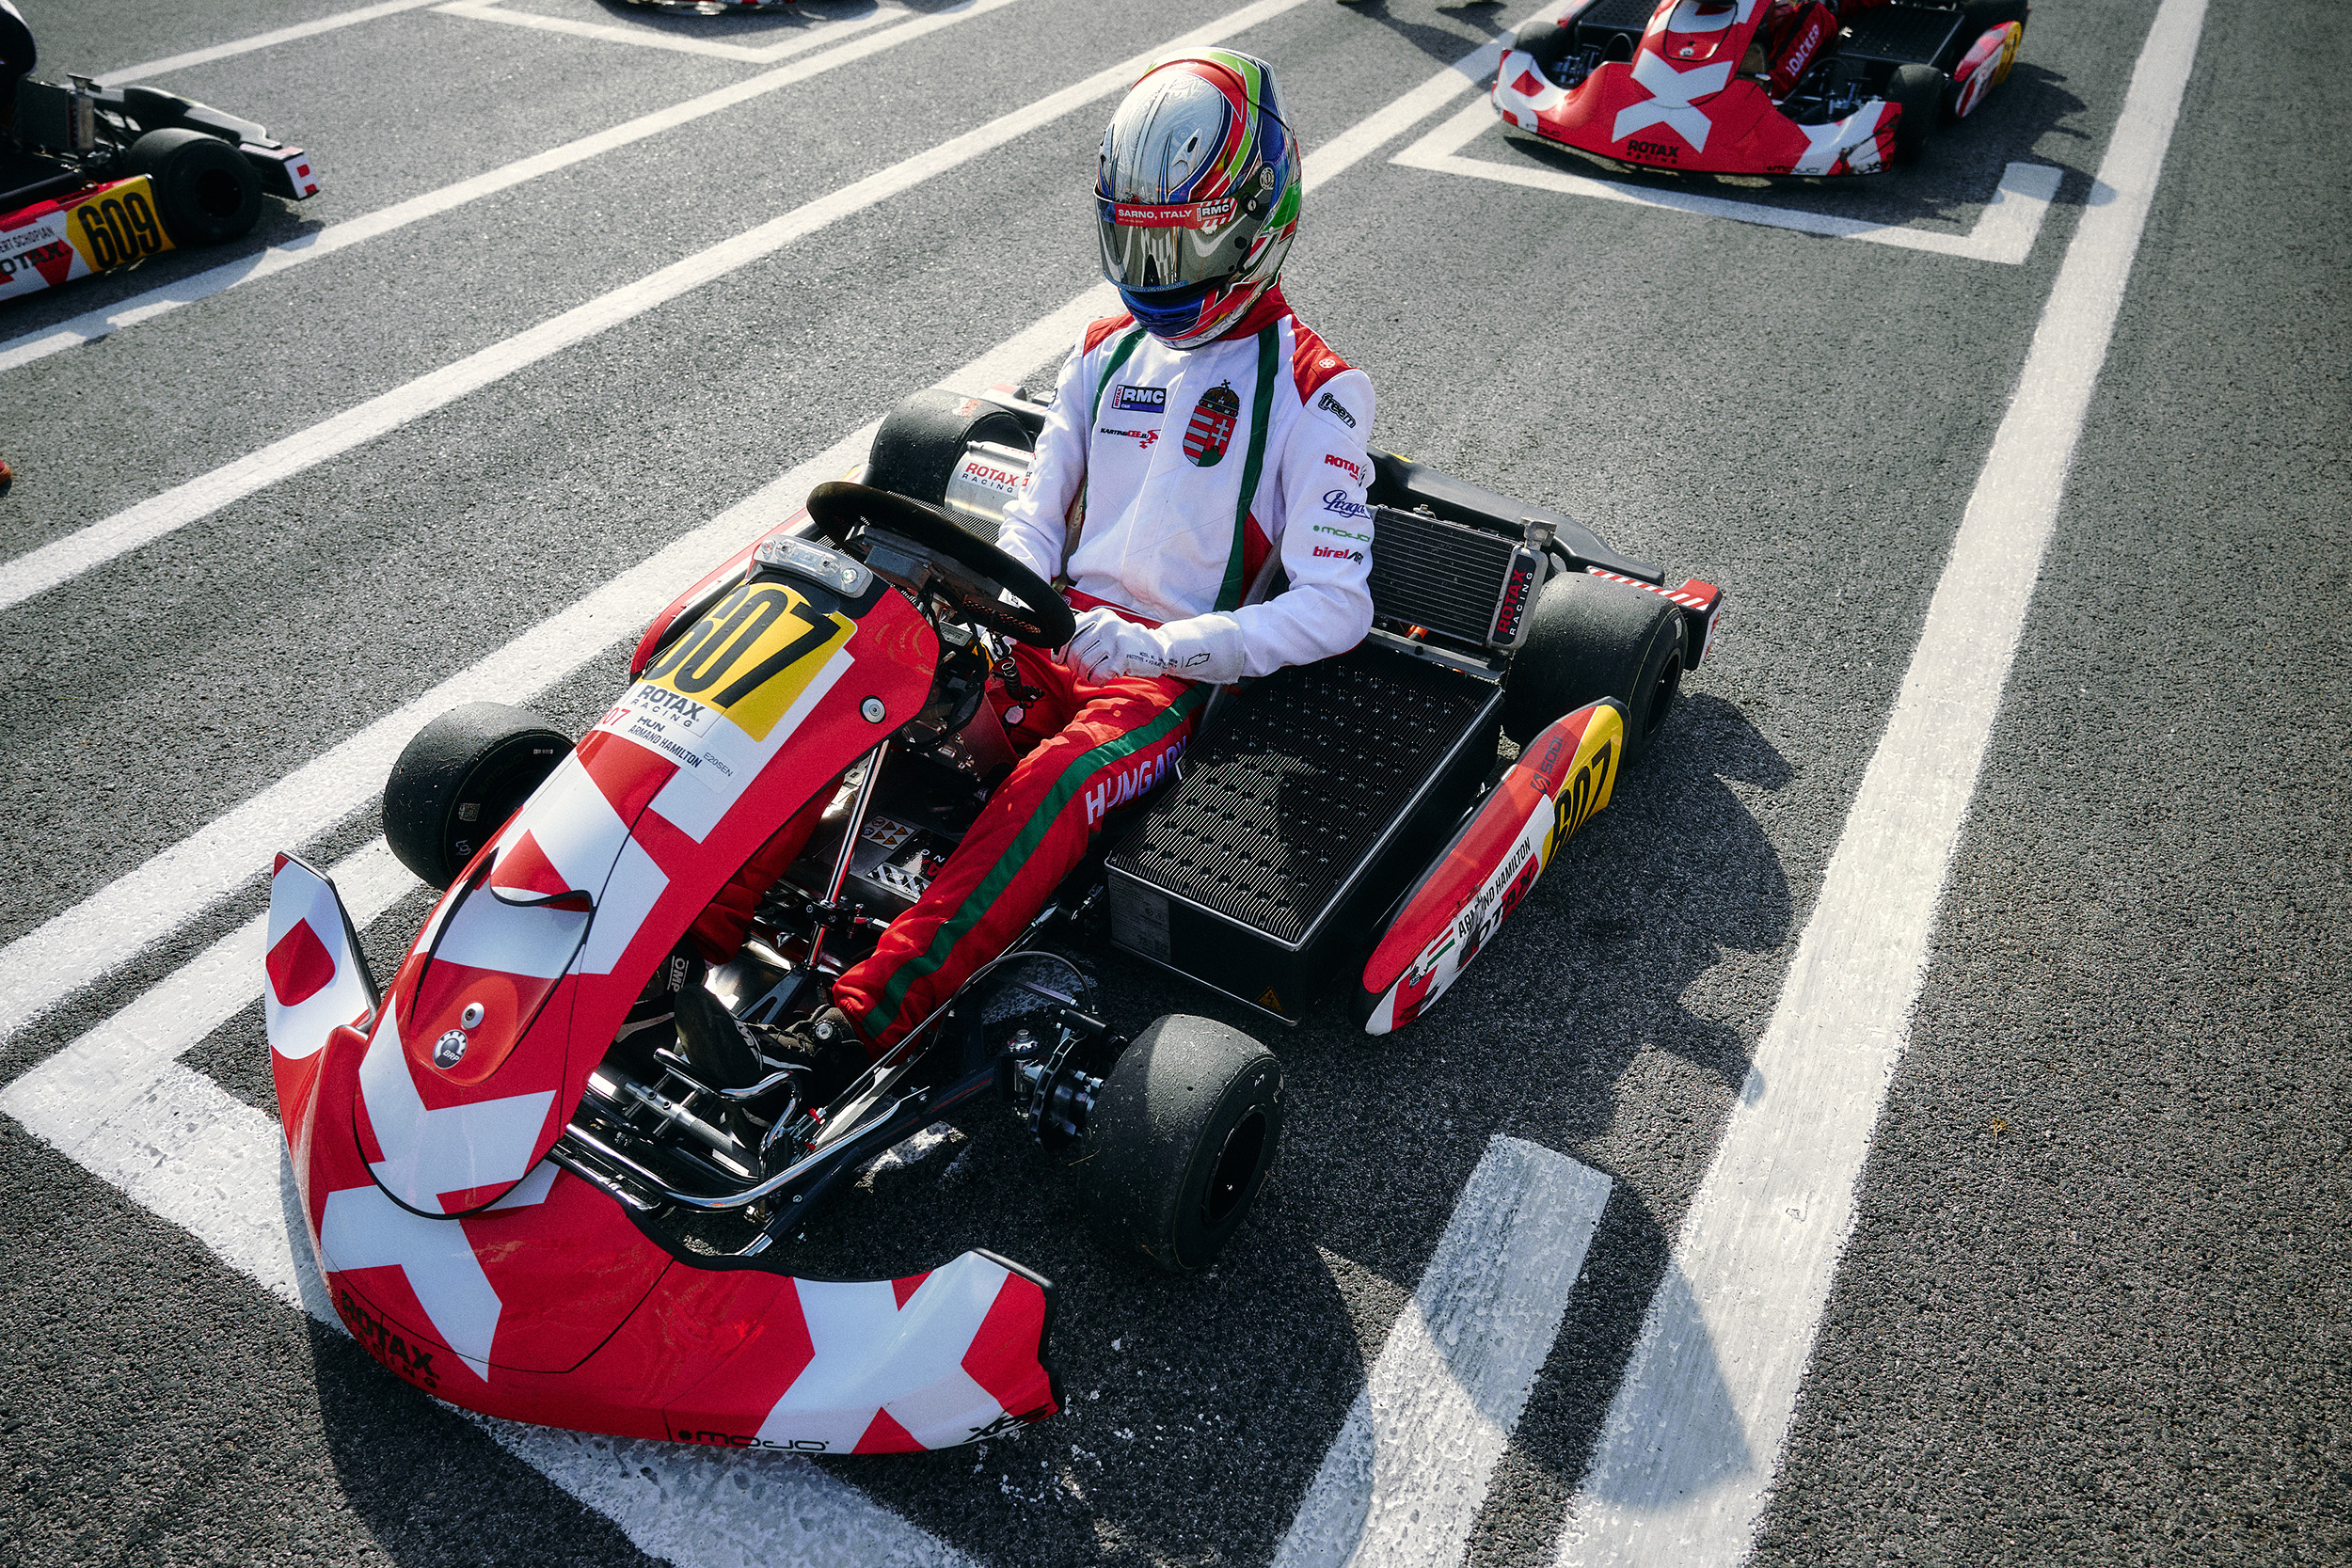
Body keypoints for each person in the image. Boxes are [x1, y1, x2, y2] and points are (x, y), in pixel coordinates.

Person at [685, 49, 1379, 1099]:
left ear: (1252, 219)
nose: (1159, 274)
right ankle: (691, 932)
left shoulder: (1318, 388)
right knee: (845, 679)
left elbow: (1337, 604)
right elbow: (1032, 516)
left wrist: (1159, 645)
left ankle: (855, 1025)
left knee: (1053, 784)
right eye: (1136, 243)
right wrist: (991, 601)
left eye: (1184, 240)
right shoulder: (1101, 353)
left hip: (1164, 683)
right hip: (1043, 634)